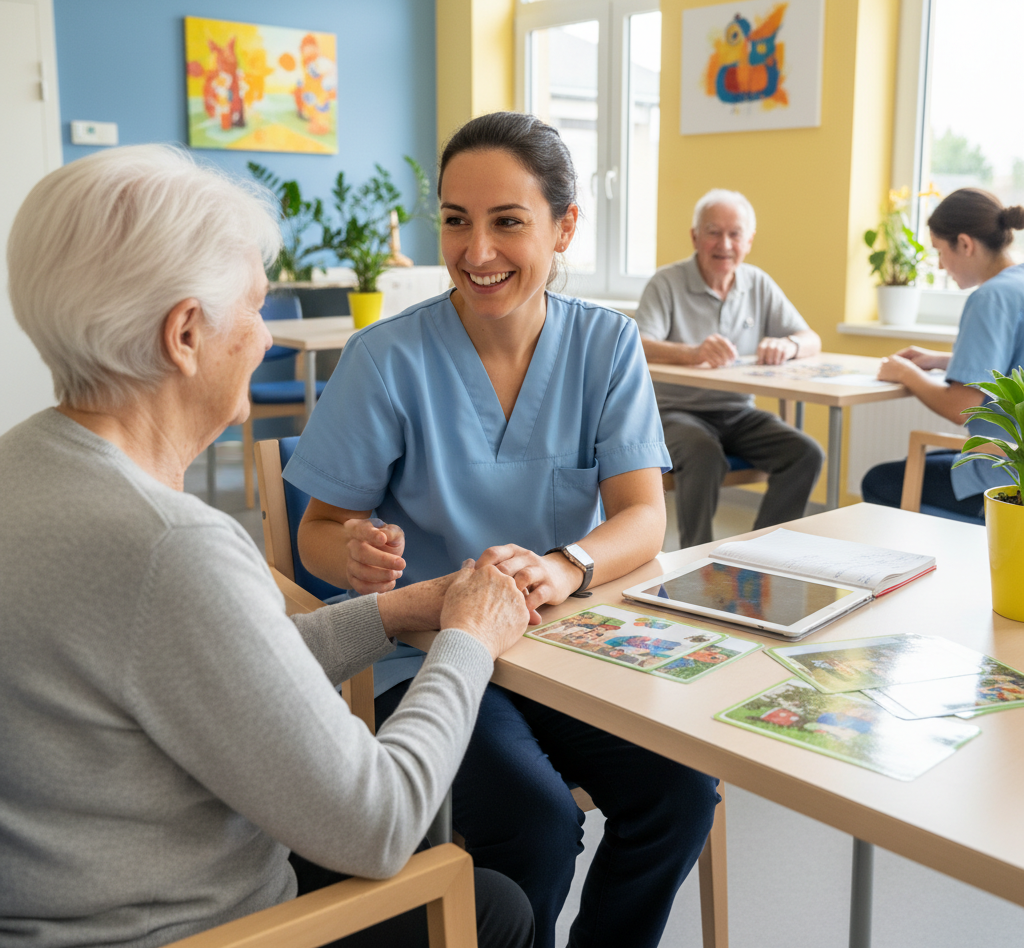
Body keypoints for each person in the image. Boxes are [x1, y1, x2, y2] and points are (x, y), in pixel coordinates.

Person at [0, 145, 535, 948]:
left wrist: (392, 612)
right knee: (490, 903)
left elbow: (215, 657)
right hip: (193, 927)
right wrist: (467, 640)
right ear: (185, 333)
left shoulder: (25, 465)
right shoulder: (170, 544)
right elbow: (381, 821)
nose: (270, 334)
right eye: (255, 307)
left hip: (62, 902)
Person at [284, 112, 720, 948]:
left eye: (507, 222)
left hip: (572, 646)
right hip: (431, 659)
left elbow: (642, 518)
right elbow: (319, 531)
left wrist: (568, 566)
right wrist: (349, 549)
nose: (475, 251)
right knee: (537, 825)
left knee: (682, 794)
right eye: (455, 220)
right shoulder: (386, 360)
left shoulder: (606, 344)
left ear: (565, 227)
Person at [635, 188, 825, 548]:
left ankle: (762, 551)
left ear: (748, 241)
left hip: (738, 412)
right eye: (713, 232)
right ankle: (696, 558)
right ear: (695, 237)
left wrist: (788, 345)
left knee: (806, 454)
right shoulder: (667, 282)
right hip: (674, 412)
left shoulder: (758, 283)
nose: (724, 244)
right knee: (704, 453)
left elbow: (810, 337)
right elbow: (637, 345)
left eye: (735, 234)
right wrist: (692, 353)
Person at [861, 188, 1024, 516]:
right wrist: (940, 360)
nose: (939, 264)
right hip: (1014, 461)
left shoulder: (989, 298)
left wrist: (906, 373)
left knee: (879, 481)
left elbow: (962, 408)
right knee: (920, 462)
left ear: (964, 244)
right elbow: (1010, 368)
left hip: (1003, 475)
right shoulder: (1017, 284)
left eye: (939, 251)